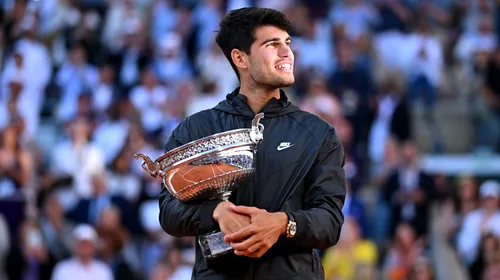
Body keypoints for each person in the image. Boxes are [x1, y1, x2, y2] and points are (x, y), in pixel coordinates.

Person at [158, 7, 346, 279]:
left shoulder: (317, 133)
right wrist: (216, 212)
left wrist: (283, 224)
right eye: (272, 44)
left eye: (288, 43)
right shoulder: (196, 128)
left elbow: (330, 222)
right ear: (240, 58)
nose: (287, 52)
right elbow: (169, 213)